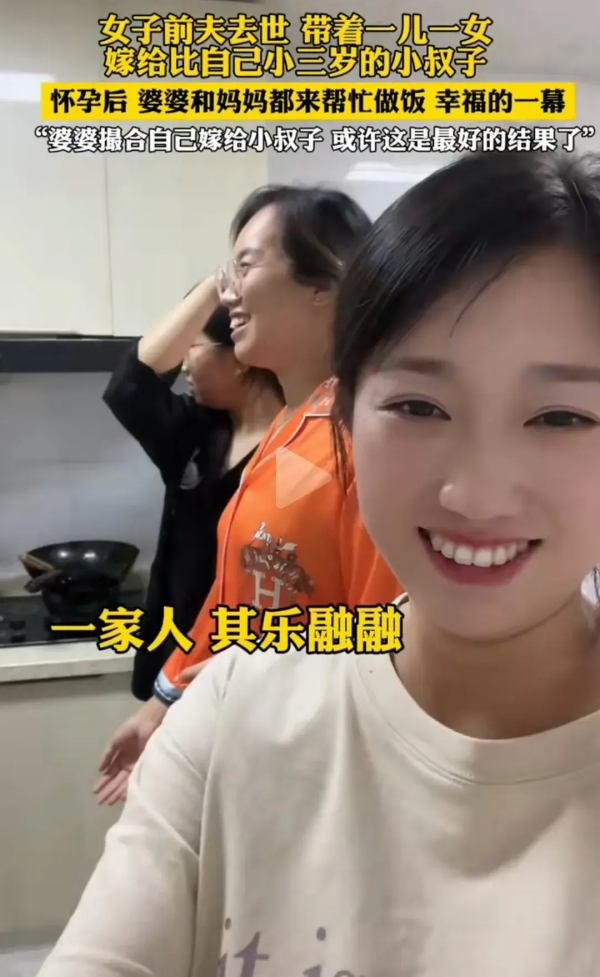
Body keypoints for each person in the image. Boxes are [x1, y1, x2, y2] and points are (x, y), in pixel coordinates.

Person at [39, 150, 600, 976]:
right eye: (418, 405)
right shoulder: (230, 718)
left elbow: (369, 615)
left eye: (560, 416)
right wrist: (172, 696)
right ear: (352, 412)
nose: (476, 494)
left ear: (321, 286)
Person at [94, 184, 401, 806]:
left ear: (325, 282)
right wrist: (162, 704)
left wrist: (258, 674)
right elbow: (235, 593)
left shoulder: (371, 440)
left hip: (325, 779)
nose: (227, 292)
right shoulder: (294, 426)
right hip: (254, 753)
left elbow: (389, 639)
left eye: (246, 265)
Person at [96, 294, 283, 802]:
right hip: (175, 667)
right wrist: (214, 288)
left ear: (239, 359)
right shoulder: (195, 432)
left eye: (194, 350)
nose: (182, 367)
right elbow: (130, 386)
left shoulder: (300, 445)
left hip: (252, 675)